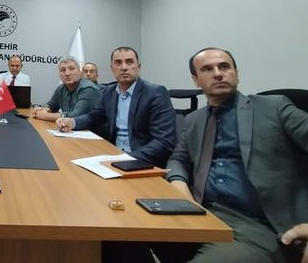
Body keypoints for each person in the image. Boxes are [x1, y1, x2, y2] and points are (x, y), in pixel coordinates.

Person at [160, 47, 308, 262]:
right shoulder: (194, 120)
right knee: (123, 238)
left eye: (224, 67)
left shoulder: (275, 107)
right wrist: (177, 181)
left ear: (236, 74)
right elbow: (178, 158)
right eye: (207, 69)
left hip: (258, 224)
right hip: (203, 211)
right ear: (196, 80)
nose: (218, 73)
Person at [56, 46, 176, 167]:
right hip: (113, 154)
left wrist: (126, 158)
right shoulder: (110, 91)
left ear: (138, 67)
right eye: (118, 63)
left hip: (142, 160)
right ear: (112, 68)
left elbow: (164, 142)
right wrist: (72, 122)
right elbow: (94, 117)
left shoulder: (155, 93)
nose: (124, 67)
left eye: (129, 62)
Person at [32, 56, 101, 122]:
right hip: (69, 128)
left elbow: (76, 116)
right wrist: (43, 109)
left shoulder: (88, 88)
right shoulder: (61, 88)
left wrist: (44, 115)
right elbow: (51, 105)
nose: (67, 73)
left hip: (92, 129)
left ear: (80, 72)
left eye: (72, 69)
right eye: (63, 70)